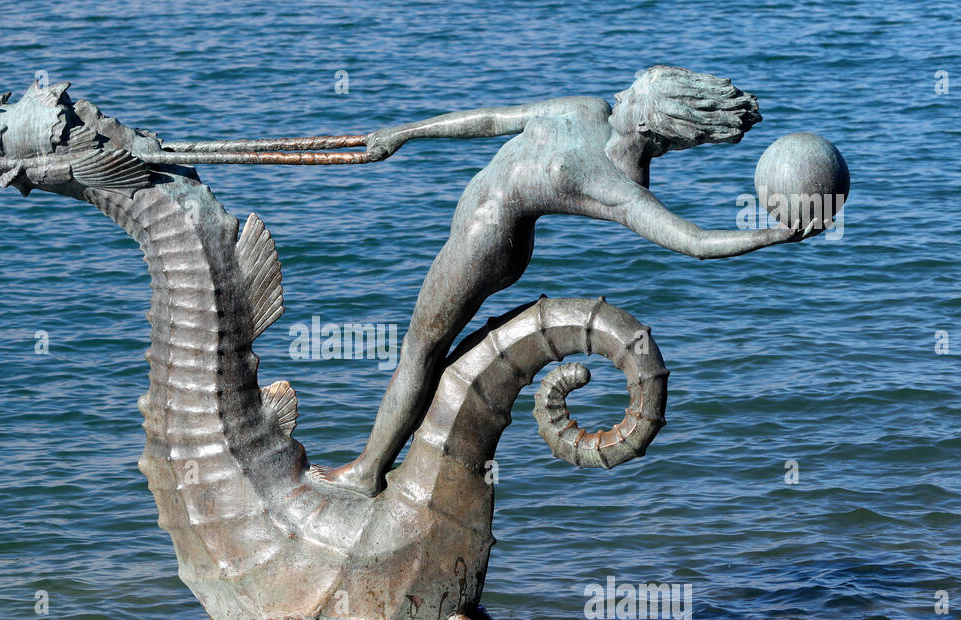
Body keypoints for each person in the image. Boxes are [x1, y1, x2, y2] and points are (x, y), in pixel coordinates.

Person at [315, 65, 813, 497]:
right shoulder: (585, 108)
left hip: (487, 244)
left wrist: (775, 234)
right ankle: (412, 456)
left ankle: (368, 471)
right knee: (435, 354)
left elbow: (696, 242)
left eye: (633, 92)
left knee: (419, 349)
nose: (620, 93)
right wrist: (405, 133)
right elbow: (492, 120)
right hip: (478, 234)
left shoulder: (617, 185)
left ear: (646, 121)